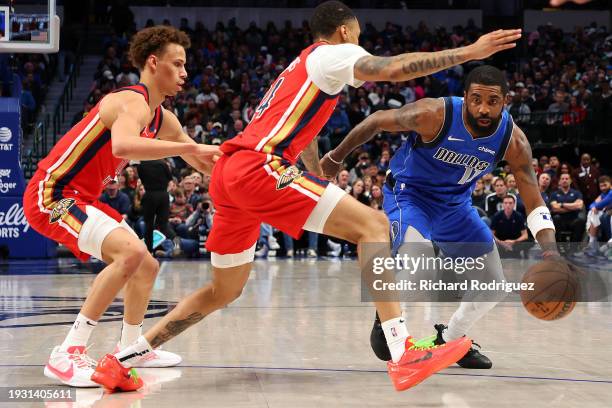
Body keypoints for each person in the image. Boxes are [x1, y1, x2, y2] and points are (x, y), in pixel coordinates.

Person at [102, 1, 521, 393]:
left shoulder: (302, 68)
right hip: (260, 167)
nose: (360, 43)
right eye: (357, 34)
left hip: (232, 174)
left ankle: (123, 359)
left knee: (222, 291)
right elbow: (392, 71)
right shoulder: (331, 53)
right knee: (373, 226)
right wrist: (471, 51)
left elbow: (303, 128)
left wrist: (319, 168)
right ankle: (402, 350)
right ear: (343, 31)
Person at [320, 65, 570, 370]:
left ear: (505, 102)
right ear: (464, 97)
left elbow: (534, 200)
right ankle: (387, 317)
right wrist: (334, 157)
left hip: (455, 207)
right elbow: (376, 121)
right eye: (476, 99)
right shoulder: (434, 114)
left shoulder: (513, 141)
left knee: (493, 284)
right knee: (418, 265)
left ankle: (451, 341)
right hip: (410, 196)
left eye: (492, 102)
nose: (483, 108)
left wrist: (552, 252)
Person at [22, 26, 220, 390]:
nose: (184, 73)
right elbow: (124, 147)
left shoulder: (164, 119)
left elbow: (204, 161)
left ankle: (130, 347)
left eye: (185, 66)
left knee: (146, 264)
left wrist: (238, 165)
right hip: (52, 192)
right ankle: (67, 352)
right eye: (177, 65)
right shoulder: (131, 101)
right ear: (153, 62)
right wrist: (189, 150)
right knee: (128, 254)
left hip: (83, 198)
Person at [550, 173, 585, 242]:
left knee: (581, 221)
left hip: (573, 219)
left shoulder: (577, 193)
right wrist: (572, 207)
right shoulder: (554, 194)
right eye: (562, 179)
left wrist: (562, 205)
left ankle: (574, 247)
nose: (564, 180)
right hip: (560, 220)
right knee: (556, 218)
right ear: (559, 181)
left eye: (566, 179)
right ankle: (559, 245)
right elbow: (554, 208)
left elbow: (579, 206)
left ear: (570, 181)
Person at [583, 175, 612, 256]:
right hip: (607, 216)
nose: (603, 188)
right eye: (601, 186)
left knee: (597, 213)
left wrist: (596, 206)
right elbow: (592, 205)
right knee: (593, 213)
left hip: (609, 216)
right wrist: (595, 207)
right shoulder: (603, 194)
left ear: (610, 184)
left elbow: (602, 203)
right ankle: (592, 242)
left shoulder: (611, 192)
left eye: (605, 185)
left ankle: (596, 243)